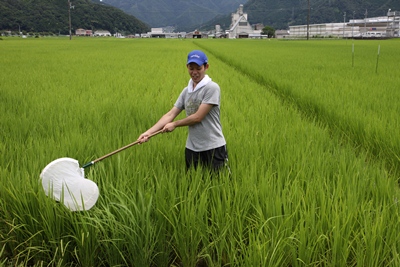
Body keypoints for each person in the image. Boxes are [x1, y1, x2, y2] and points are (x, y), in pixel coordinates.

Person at [138, 50, 229, 172]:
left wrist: (175, 124)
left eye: (198, 68)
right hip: (192, 147)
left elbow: (197, 117)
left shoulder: (212, 88)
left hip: (213, 146)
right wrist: (148, 133)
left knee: (220, 185)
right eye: (191, 68)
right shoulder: (186, 91)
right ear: (187, 67)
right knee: (193, 184)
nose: (194, 72)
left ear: (206, 67)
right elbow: (171, 114)